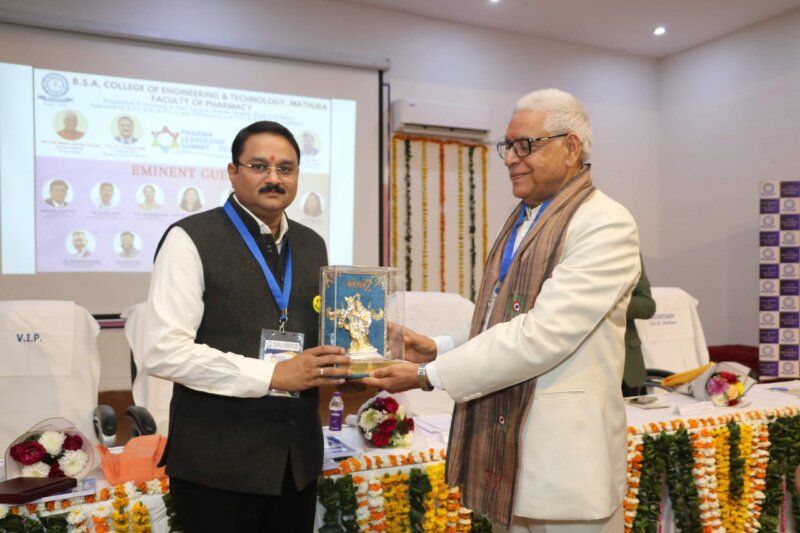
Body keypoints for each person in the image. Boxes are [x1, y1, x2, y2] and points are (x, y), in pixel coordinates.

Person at [363, 89, 640, 531]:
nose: (510, 158)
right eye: (508, 146)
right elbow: (499, 316)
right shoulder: (527, 218)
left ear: (571, 148)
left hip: (565, 464)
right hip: (510, 456)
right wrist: (436, 346)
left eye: (524, 145)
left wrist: (427, 376)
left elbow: (542, 334)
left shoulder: (604, 222)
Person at [141, 120, 350, 532]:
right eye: (259, 166)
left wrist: (356, 357)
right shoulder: (189, 238)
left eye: (285, 169)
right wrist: (272, 374)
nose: (274, 178)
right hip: (217, 468)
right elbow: (164, 351)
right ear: (233, 172)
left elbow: (318, 333)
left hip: (297, 462)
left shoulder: (313, 244)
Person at [621, 256, 656, 397]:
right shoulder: (566, 247)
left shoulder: (628, 250)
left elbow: (647, 305)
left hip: (626, 368)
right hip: (583, 367)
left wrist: (612, 304)